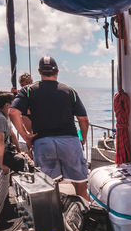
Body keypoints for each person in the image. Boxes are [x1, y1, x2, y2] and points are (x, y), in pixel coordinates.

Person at [9, 56, 90, 200]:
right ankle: (85, 212)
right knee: (80, 184)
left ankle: (55, 217)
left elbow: (13, 112)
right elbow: (83, 119)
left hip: (43, 142)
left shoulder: (27, 91)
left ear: (39, 71)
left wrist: (25, 135)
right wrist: (83, 138)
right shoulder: (69, 91)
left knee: (49, 187)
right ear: (57, 71)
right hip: (69, 142)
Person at [0, 91, 29, 174]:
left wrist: (19, 151)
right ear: (7, 105)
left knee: (26, 150)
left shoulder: (5, 115)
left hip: (5, 150)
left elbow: (12, 135)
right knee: (23, 163)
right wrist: (1, 165)